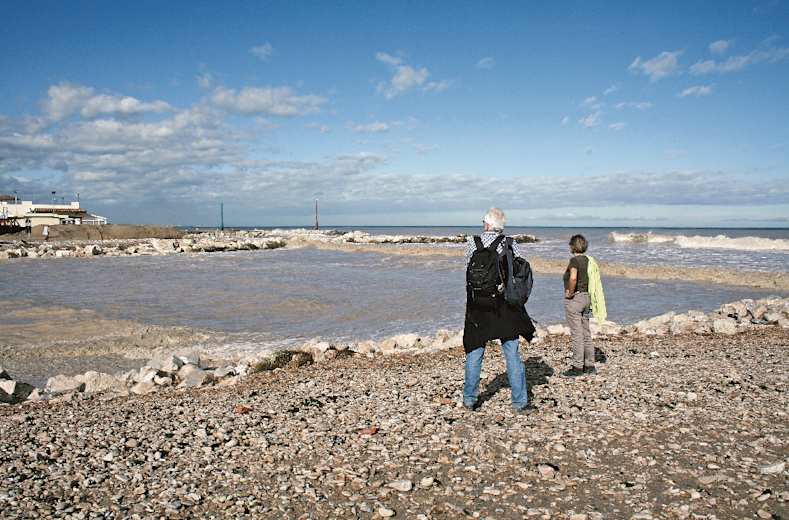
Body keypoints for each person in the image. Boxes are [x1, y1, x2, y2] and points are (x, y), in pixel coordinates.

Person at [462, 207, 537, 414]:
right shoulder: (509, 243)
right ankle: (519, 403)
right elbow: (519, 272)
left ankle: (469, 399)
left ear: (487, 224)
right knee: (512, 353)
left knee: (475, 351)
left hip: (477, 306)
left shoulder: (472, 242)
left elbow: (467, 269)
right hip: (504, 306)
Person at [562, 234, 595, 377]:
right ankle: (590, 365)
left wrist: (569, 293)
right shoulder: (589, 260)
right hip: (587, 297)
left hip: (576, 298)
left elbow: (573, 278)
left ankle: (577, 366)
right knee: (586, 332)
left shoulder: (574, 261)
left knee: (577, 334)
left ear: (572, 246)